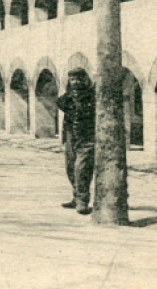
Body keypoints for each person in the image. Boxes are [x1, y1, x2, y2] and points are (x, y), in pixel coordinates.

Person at [56, 68, 96, 214]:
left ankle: (82, 201)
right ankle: (75, 197)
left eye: (79, 79)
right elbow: (59, 103)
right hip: (71, 136)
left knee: (82, 168)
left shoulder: (91, 95)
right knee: (70, 167)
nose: (76, 82)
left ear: (85, 80)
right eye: (73, 79)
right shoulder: (69, 96)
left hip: (87, 137)